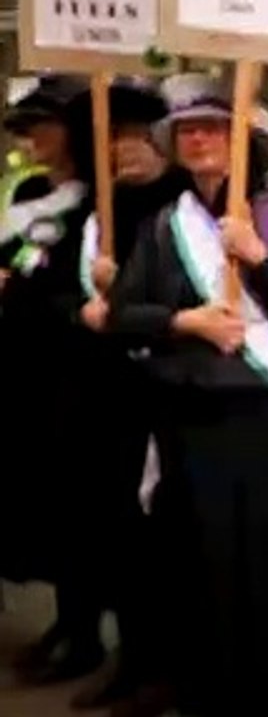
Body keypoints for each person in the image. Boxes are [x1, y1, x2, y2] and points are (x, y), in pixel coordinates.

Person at [107, 74, 268, 716]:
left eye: (211, 126)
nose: (200, 138)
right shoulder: (161, 226)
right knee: (201, 573)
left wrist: (258, 256)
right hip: (191, 423)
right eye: (188, 130)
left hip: (267, 421)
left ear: (239, 139)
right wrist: (185, 322)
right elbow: (123, 315)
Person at [68, 75, 189, 717]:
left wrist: (122, 294)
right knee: (114, 532)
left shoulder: (183, 206)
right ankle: (131, 657)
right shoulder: (103, 207)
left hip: (166, 387)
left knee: (160, 537)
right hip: (107, 390)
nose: (129, 150)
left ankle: (167, 665)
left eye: (141, 138)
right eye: (117, 139)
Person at [0, 73, 104, 685]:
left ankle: (84, 631)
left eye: (44, 125)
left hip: (73, 376)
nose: (32, 138)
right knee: (36, 500)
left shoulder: (101, 204)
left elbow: (77, 292)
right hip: (19, 373)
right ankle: (63, 622)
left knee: (77, 507)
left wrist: (31, 294)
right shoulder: (31, 190)